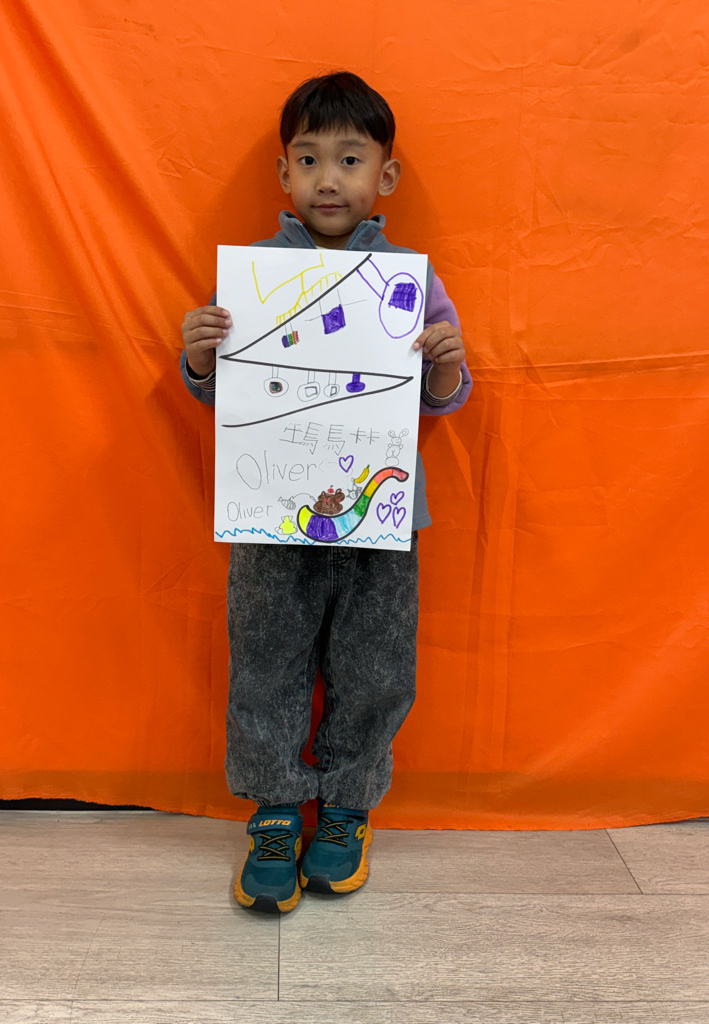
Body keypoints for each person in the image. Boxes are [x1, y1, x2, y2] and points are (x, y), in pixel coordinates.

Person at [179, 72, 472, 914]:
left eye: (350, 159)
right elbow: (221, 392)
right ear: (284, 174)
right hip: (271, 516)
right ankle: (275, 813)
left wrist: (444, 362)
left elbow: (443, 401)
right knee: (265, 661)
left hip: (381, 519)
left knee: (375, 666)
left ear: (386, 175)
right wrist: (199, 353)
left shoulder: (410, 282)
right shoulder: (252, 277)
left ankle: (345, 810)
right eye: (308, 160)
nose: (328, 178)